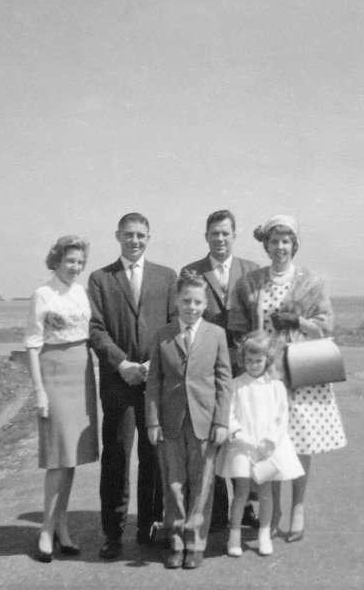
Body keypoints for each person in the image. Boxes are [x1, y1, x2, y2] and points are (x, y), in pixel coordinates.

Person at [229, 214, 346, 542]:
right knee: (270, 440)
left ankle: (298, 506)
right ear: (265, 245)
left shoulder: (311, 281)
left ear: (294, 245)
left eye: (286, 241)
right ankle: (273, 508)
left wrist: (299, 322)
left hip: (302, 371)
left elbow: (327, 324)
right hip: (266, 374)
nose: (280, 247)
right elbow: (238, 328)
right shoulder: (250, 282)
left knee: (301, 442)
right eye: (274, 241)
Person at [88, 213, 177, 559]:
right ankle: (112, 533)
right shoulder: (100, 279)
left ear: (149, 237)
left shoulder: (166, 277)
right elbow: (95, 329)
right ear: (117, 236)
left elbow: (175, 324)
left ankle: (148, 526)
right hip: (118, 381)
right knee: (117, 457)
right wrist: (122, 363)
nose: (134, 241)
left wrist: (155, 364)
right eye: (128, 235)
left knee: (153, 456)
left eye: (141, 235)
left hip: (155, 381)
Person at [145, 270, 232, 570]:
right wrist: (152, 422)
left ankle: (195, 544)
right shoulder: (162, 335)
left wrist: (221, 422)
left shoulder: (216, 334)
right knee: (174, 484)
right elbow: (153, 383)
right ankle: (176, 541)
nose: (191, 307)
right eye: (186, 301)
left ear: (205, 303)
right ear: (176, 301)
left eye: (197, 302)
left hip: (205, 423)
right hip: (170, 424)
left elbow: (224, 381)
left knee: (202, 484)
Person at [183, 209, 260, 532]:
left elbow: (259, 319)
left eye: (225, 233)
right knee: (212, 435)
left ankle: (250, 507)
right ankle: (215, 510)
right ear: (206, 236)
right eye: (214, 233)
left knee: (247, 431)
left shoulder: (252, 270)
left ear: (234, 235)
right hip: (208, 365)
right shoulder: (191, 270)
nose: (220, 239)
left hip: (244, 365)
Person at [24, 235, 99, 563]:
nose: (76, 267)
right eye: (70, 261)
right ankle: (45, 528)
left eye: (80, 262)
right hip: (53, 373)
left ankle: (62, 526)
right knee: (57, 456)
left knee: (71, 457)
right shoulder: (42, 294)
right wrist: (39, 389)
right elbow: (32, 342)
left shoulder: (83, 292)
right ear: (57, 258)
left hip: (81, 372)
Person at [217, 331, 304, 557]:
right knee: (241, 491)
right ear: (242, 359)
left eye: (259, 360)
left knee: (266, 492)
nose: (254, 365)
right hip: (242, 446)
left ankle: (264, 534)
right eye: (249, 360)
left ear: (268, 359)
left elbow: (281, 418)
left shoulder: (276, 387)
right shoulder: (236, 385)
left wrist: (270, 441)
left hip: (266, 447)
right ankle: (234, 535)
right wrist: (237, 434)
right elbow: (230, 414)